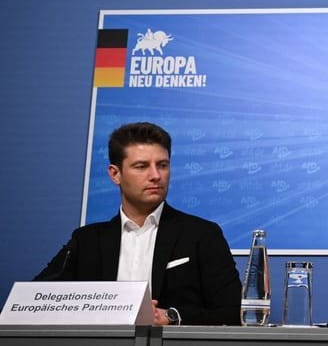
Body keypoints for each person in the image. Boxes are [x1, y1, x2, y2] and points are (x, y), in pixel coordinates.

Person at [35, 122, 241, 325]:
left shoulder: (202, 234)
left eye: (162, 165)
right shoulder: (86, 241)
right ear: (115, 174)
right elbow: (34, 303)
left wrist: (170, 316)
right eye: (141, 166)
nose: (155, 176)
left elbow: (233, 313)